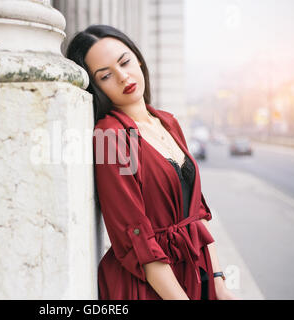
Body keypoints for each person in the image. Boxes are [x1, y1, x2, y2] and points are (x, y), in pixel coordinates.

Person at [66, 24, 238, 300]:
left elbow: (196, 217)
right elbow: (136, 238)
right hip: (151, 286)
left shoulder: (168, 122)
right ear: (96, 87)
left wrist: (219, 283)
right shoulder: (111, 136)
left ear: (139, 59)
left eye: (125, 62)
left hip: (196, 274)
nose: (123, 77)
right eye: (106, 75)